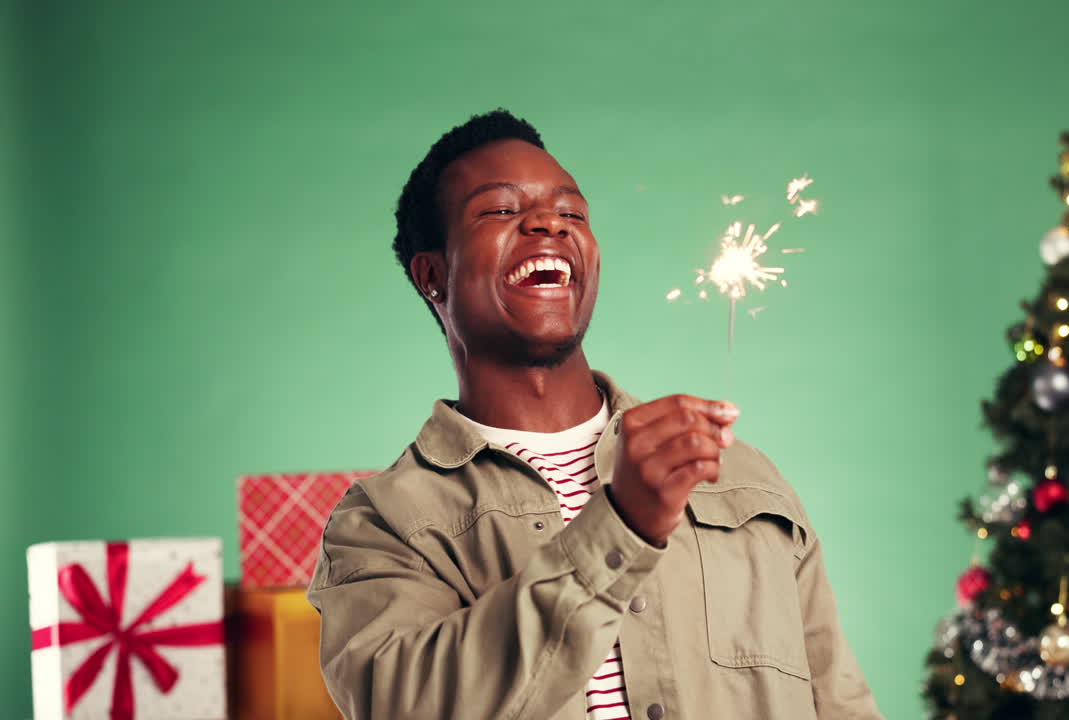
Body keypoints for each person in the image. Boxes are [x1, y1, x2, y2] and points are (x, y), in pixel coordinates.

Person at [307, 109, 882, 720]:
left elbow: (841, 704)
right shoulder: (383, 526)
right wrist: (621, 527)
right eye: (500, 210)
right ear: (432, 276)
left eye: (572, 213)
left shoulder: (742, 479)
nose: (547, 223)